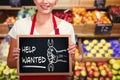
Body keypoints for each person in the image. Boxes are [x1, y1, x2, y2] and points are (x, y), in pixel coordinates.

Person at [7, 0, 76, 80]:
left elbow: (72, 65)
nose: (45, 1)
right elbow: (10, 63)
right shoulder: (20, 25)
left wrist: (69, 57)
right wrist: (19, 59)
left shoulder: (66, 27)